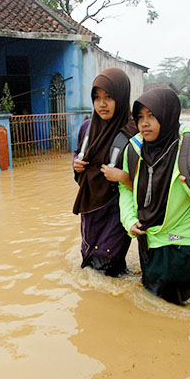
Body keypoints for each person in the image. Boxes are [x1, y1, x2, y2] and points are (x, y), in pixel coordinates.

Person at [118, 88, 190, 305]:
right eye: (140, 117)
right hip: (147, 236)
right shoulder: (133, 149)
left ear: (168, 115)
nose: (144, 123)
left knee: (179, 304)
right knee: (151, 297)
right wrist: (129, 220)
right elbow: (126, 189)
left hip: (181, 238)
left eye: (152, 116)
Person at [72, 68, 138, 276]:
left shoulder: (134, 133)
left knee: (108, 265)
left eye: (109, 97)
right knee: (90, 261)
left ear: (121, 96)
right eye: (97, 98)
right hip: (90, 206)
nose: (102, 104)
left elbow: (151, 177)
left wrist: (124, 178)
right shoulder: (87, 128)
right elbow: (78, 156)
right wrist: (76, 164)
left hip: (117, 210)